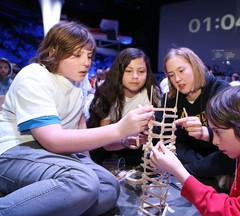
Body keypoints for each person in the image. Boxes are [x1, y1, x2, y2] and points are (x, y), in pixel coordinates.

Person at [0, 21, 154, 216]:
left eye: (89, 56)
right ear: (53, 52)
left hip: (56, 156)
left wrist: (108, 149)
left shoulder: (79, 83)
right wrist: (119, 129)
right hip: (16, 151)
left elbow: (80, 131)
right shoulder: (35, 75)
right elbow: (53, 140)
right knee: (83, 182)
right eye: (77, 55)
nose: (86, 62)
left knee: (108, 187)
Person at [150, 85, 240, 215]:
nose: (215, 141)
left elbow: (234, 212)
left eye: (218, 132)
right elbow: (238, 198)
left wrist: (178, 171)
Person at [157, 47, 235, 178]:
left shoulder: (221, 91)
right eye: (171, 75)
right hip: (190, 158)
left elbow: (234, 138)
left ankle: (184, 171)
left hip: (219, 154)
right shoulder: (170, 99)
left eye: (181, 71)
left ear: (195, 67)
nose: (177, 79)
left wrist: (206, 133)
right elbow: (163, 136)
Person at [87, 47, 161, 165]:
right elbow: (105, 143)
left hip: (142, 155)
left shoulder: (152, 93)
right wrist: (124, 142)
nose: (135, 76)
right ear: (119, 71)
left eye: (141, 71)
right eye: (128, 70)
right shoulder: (107, 95)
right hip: (108, 155)